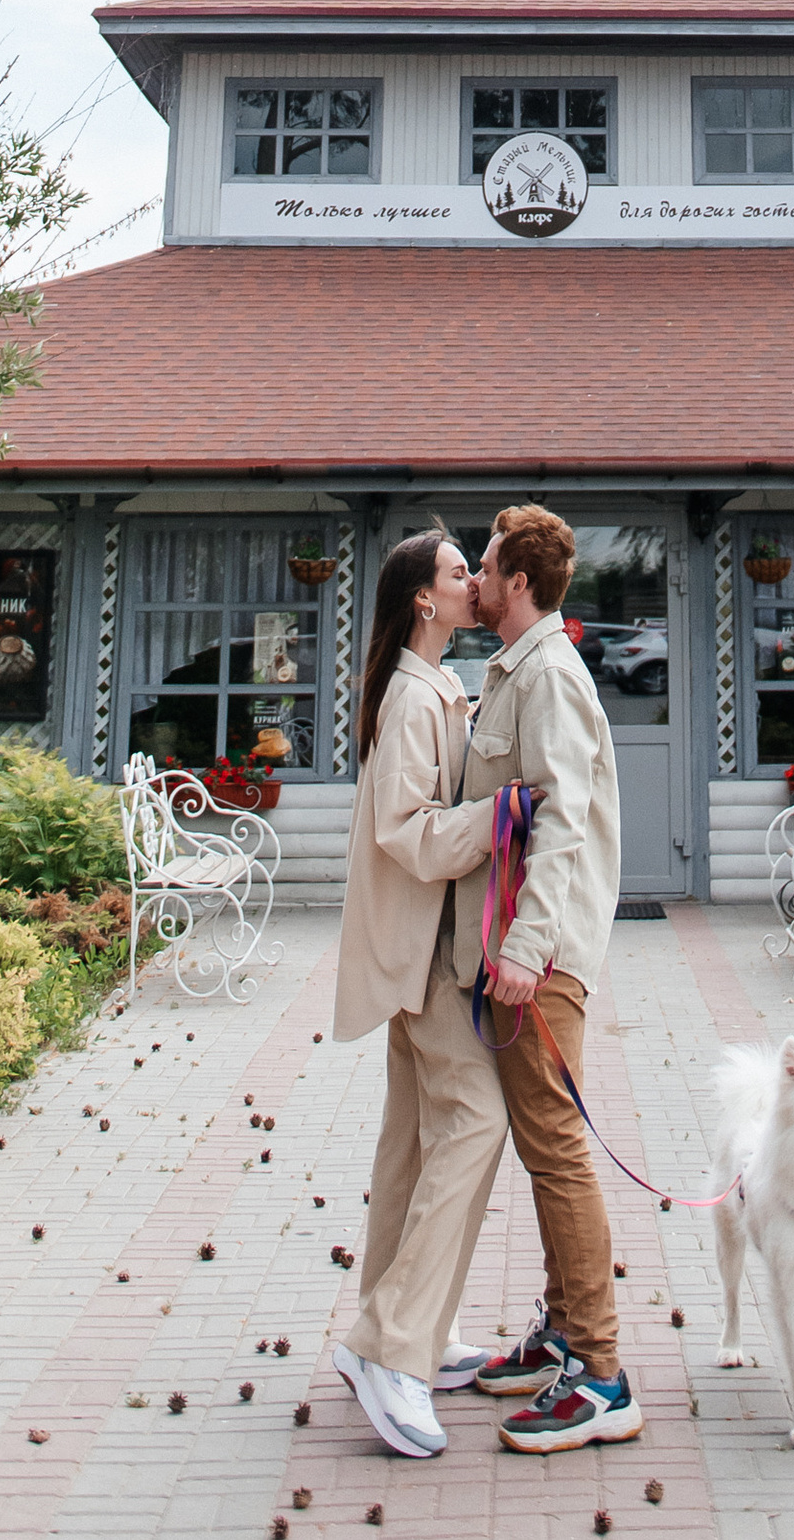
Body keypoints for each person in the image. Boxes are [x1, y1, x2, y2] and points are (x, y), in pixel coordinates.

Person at [454, 502, 639, 1457]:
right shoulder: (519, 669)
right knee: (541, 1141)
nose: (476, 582)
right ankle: (563, 1332)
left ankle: (601, 1375)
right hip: (524, 945)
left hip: (543, 955)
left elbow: (563, 818)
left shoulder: (552, 676)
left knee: (557, 1145)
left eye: (485, 567)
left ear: (517, 581)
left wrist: (526, 949)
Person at [329, 525, 504, 1462]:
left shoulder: (432, 684)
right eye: (456, 571)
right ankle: (390, 1345)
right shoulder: (411, 695)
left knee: (410, 1143)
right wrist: (497, 817)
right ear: (424, 600)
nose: (473, 579)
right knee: (476, 1122)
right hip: (428, 951)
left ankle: (408, 1331)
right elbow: (405, 826)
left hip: (421, 943)